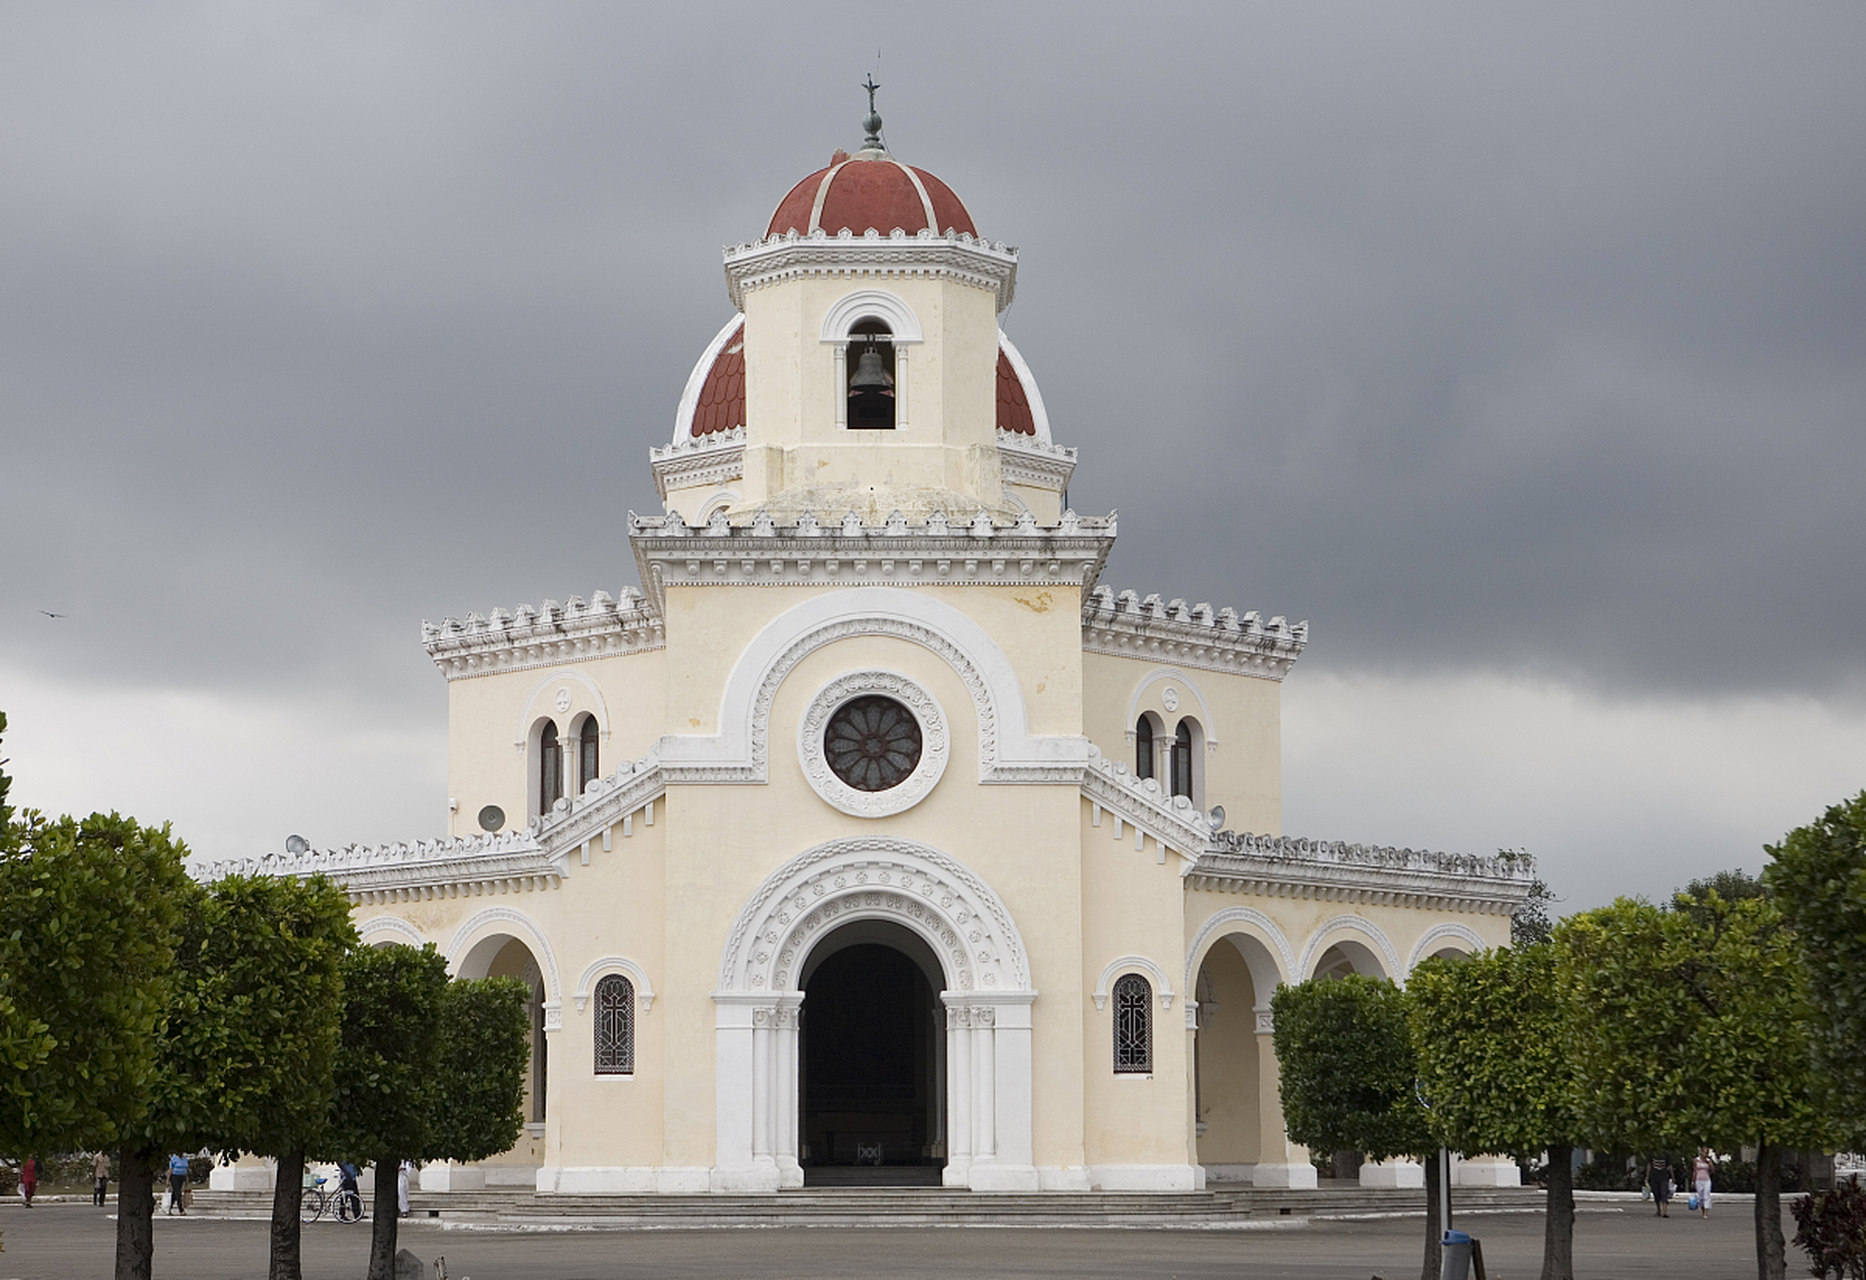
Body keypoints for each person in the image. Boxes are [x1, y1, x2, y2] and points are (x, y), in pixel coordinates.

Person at [1693, 1148, 1715, 1218]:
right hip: (1698, 1180)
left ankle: (1706, 1213)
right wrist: (1693, 1180)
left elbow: (1712, 1170)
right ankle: (1703, 1210)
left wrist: (1710, 1164)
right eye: (1704, 1152)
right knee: (1701, 1197)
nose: (1705, 1154)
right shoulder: (1696, 1160)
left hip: (1706, 1180)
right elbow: (1695, 1170)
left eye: (1706, 1153)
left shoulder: (1708, 1161)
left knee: (1706, 1195)